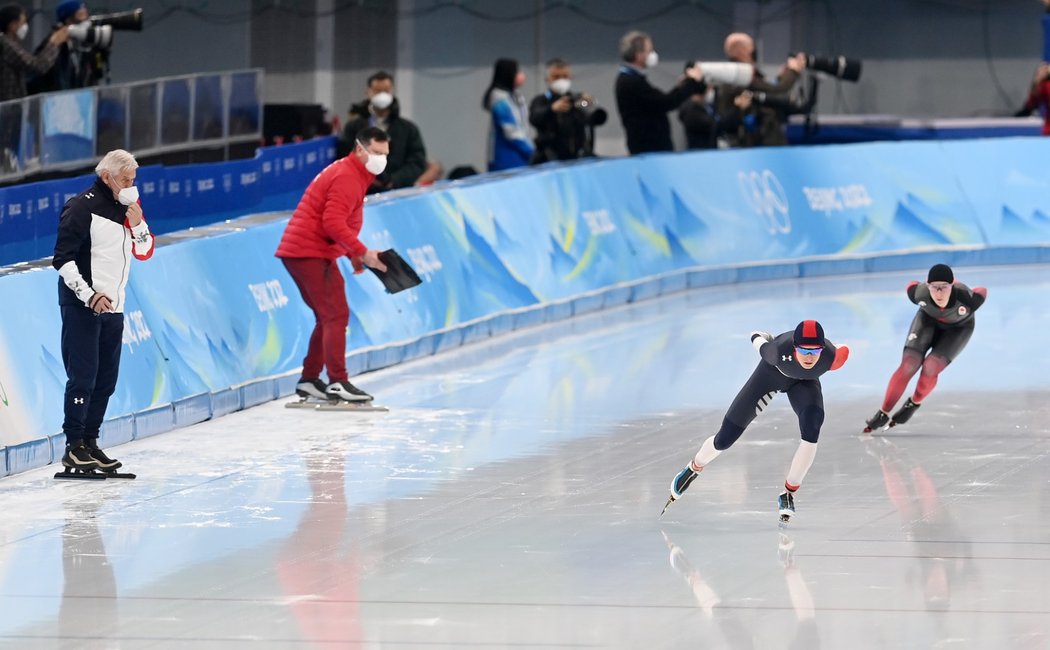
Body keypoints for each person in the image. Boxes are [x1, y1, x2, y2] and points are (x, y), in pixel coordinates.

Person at [662, 320, 850, 522]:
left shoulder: (833, 358)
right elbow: (756, 337)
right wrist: (761, 336)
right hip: (770, 375)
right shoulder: (774, 352)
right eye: (804, 350)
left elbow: (843, 348)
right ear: (795, 347)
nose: (809, 357)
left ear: (823, 349)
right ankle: (694, 467)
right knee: (725, 439)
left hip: (804, 384)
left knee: (813, 425)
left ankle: (788, 494)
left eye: (815, 351)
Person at [52, 149, 154, 472]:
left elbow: (145, 250)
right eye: (126, 180)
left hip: (115, 307)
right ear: (108, 177)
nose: (131, 185)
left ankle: (91, 441)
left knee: (106, 380)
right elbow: (63, 260)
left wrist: (138, 225)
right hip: (84, 306)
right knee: (83, 375)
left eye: (134, 180)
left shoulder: (127, 209)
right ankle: (73, 445)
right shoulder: (81, 207)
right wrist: (89, 295)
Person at [276, 126, 390, 403]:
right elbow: (333, 222)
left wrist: (352, 254)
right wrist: (362, 252)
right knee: (335, 315)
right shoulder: (348, 176)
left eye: (385, 154)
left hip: (309, 252)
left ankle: (311, 380)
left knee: (328, 316)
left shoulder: (353, 173)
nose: (381, 159)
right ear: (360, 149)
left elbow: (339, 222)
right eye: (376, 153)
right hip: (309, 252)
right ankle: (337, 381)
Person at [864, 264, 987, 432]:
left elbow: (982, 290)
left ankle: (914, 403)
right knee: (909, 365)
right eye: (934, 287)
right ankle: (883, 412)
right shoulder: (919, 293)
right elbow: (911, 285)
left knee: (931, 366)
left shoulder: (967, 298)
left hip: (959, 328)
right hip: (927, 321)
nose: (938, 293)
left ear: (952, 285)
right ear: (927, 286)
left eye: (944, 287)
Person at [339, 71, 441, 192]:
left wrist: (395, 180)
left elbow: (416, 162)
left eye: (386, 91)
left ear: (392, 92)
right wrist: (367, 178)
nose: (382, 95)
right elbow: (345, 158)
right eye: (377, 91)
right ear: (368, 92)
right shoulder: (353, 127)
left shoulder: (408, 129)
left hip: (398, 191)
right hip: (363, 191)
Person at [614, 30, 705, 154]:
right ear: (639, 55)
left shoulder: (632, 79)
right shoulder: (630, 81)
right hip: (649, 148)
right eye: (649, 51)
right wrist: (691, 83)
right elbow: (665, 103)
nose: (653, 54)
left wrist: (681, 86)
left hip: (650, 146)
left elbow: (660, 100)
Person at [715, 32, 806, 148]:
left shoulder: (734, 75)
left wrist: (780, 78)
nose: (754, 51)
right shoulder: (740, 76)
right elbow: (778, 90)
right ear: (741, 51)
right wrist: (793, 71)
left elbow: (766, 91)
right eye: (751, 47)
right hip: (752, 144)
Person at [528, 58, 599, 163]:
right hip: (548, 158)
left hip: (575, 157)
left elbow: (588, 114)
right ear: (548, 79)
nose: (561, 80)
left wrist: (588, 103)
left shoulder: (576, 101)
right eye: (556, 77)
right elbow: (534, 117)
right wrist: (551, 109)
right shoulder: (541, 100)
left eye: (565, 77)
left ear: (570, 77)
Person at [27, 1, 104, 94]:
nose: (86, 21)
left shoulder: (82, 43)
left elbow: (96, 73)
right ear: (68, 20)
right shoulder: (54, 41)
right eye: (80, 16)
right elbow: (38, 71)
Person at [0, 2, 67, 100]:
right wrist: (54, 43)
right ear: (12, 25)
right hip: (7, 107)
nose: (25, 26)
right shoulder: (6, 45)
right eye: (23, 22)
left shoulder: (9, 43)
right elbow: (38, 66)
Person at [482, 57, 534, 171]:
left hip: (519, 154)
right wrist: (530, 150)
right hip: (506, 157)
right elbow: (511, 131)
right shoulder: (499, 98)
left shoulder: (515, 95)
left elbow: (522, 124)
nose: (521, 75)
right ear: (508, 74)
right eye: (517, 71)